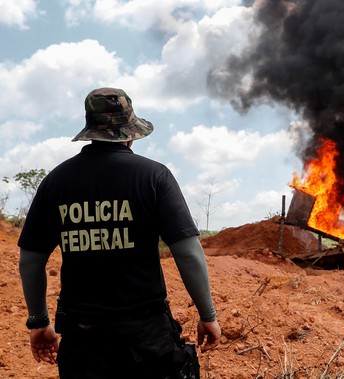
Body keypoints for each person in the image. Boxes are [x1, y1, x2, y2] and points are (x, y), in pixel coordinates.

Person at [18, 87, 221, 378]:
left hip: (82, 339)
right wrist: (208, 316)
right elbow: (188, 253)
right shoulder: (154, 176)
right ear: (130, 133)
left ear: (91, 130)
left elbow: (31, 259)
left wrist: (38, 321)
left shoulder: (56, 181)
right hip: (146, 339)